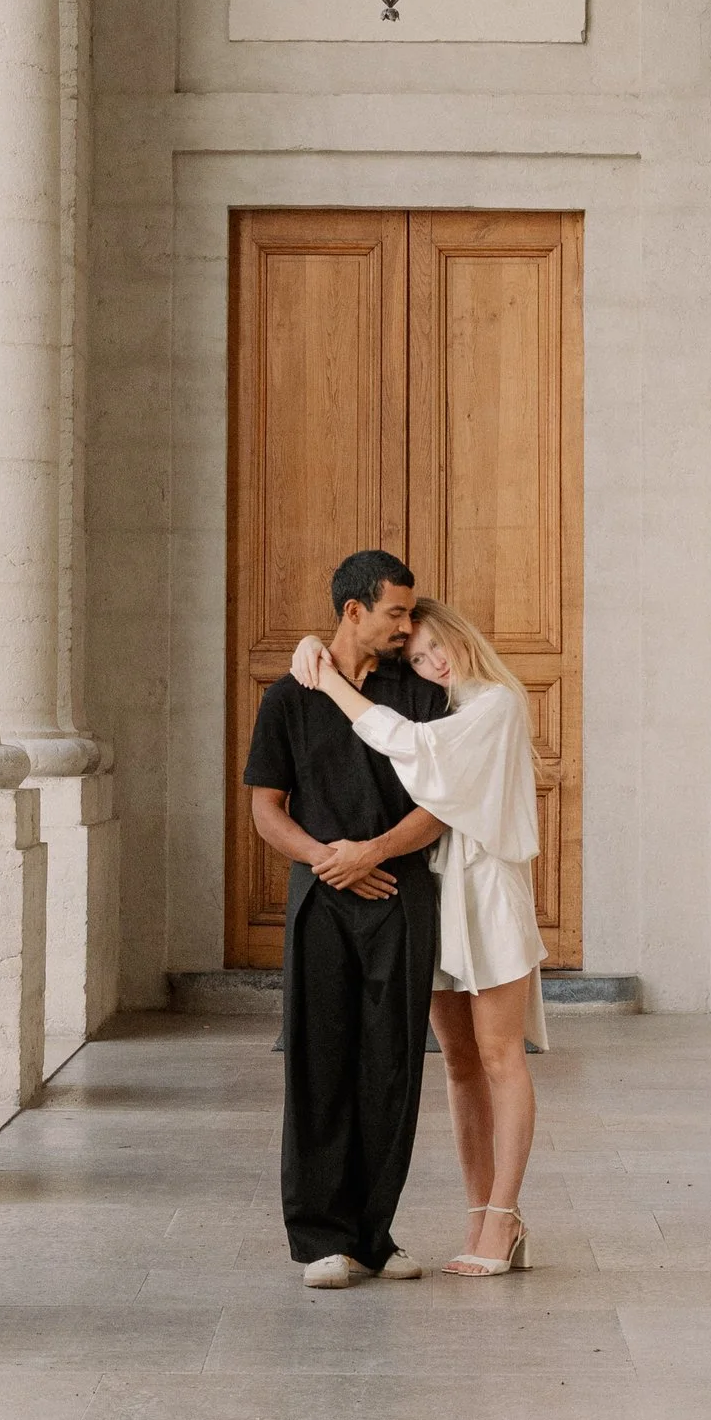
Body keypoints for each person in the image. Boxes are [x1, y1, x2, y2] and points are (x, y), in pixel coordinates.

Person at [291, 597, 545, 1279]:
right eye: (416, 655)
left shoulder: (496, 702)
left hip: (488, 895)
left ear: (459, 636)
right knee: (459, 1064)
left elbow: (411, 746)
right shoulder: (444, 704)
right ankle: (476, 1213)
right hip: (436, 892)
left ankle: (505, 1215)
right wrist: (313, 647)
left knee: (500, 1057)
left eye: (434, 645)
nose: (429, 661)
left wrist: (329, 679)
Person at [244, 548, 448, 1287]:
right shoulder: (287, 698)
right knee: (317, 1063)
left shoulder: (419, 691)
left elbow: (442, 802)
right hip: (320, 903)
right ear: (352, 611)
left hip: (401, 897)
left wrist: (375, 854)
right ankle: (319, 1238)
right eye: (395, 612)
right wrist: (329, 860)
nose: (407, 625)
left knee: (392, 1067)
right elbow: (267, 809)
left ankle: (374, 1233)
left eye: (410, 612)